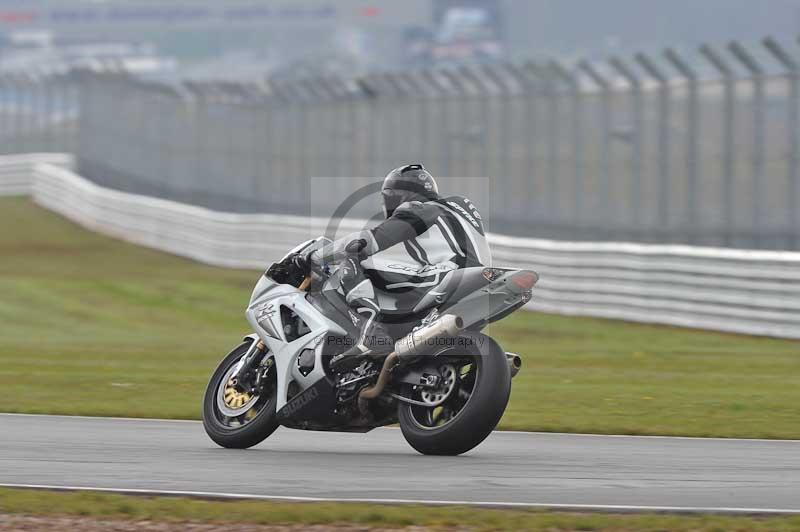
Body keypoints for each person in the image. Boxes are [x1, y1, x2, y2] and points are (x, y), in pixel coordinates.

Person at [304, 164, 491, 368]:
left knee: (354, 260)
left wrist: (316, 257)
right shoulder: (459, 206)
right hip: (473, 278)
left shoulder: (422, 209)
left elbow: (371, 241)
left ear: (398, 196)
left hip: (449, 274)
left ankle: (373, 336)